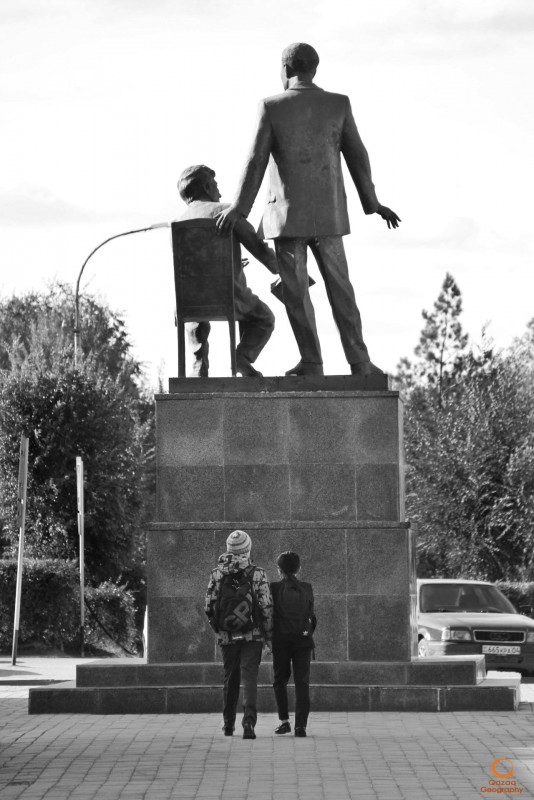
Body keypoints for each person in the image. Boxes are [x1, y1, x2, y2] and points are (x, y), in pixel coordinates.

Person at [217, 43, 401, 377]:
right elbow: (358, 154)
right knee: (342, 290)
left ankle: (312, 362)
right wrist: (372, 203)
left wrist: (239, 208)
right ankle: (360, 363)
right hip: (329, 215)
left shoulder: (271, 106)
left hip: (287, 219)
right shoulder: (338, 104)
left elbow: (256, 160)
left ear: (286, 69)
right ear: (314, 70)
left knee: (297, 295)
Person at [177, 164, 278, 378]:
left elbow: (193, 266)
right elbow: (259, 249)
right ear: (206, 187)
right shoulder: (226, 212)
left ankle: (199, 363)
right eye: (215, 185)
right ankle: (242, 358)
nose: (219, 192)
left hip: (190, 302)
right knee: (264, 318)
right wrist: (282, 268)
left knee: (196, 309)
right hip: (229, 296)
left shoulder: (177, 223)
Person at [205, 529, 273, 739]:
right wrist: (268, 635)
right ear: (248, 549)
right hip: (253, 634)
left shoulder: (217, 574)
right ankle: (249, 724)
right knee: (249, 678)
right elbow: (266, 606)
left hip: (227, 635)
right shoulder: (258, 573)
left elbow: (209, 606)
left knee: (230, 678)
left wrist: (220, 629)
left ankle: (228, 725)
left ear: (228, 549)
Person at [270, 551, 316, 738]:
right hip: (303, 640)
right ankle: (301, 727)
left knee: (279, 681)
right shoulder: (307, 587)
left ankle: (284, 722)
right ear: (299, 568)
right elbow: (311, 615)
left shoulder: (273, 588)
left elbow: (269, 614)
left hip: (280, 640)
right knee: (302, 683)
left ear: (279, 569)